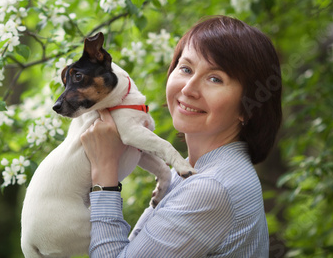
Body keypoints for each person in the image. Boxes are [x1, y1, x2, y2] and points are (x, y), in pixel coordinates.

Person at [80, 15, 282, 257]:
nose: (188, 89)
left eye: (215, 78)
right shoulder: (191, 170)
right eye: (186, 68)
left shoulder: (211, 188)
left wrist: (104, 170)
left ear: (247, 107)